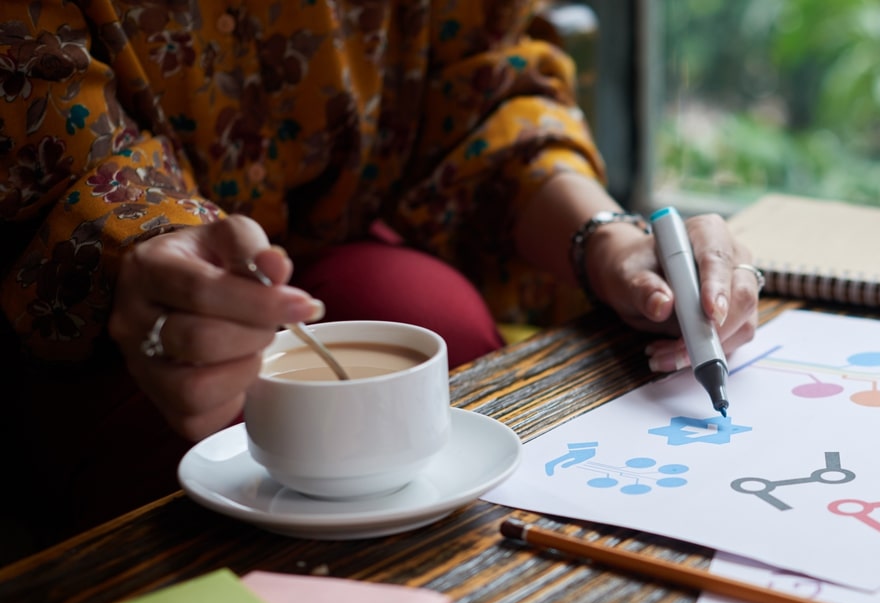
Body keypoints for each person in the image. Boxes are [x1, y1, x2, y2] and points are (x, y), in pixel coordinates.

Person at [0, 0, 762, 545]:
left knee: (440, 322)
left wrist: (607, 241)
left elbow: (487, 88)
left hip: (335, 239)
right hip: (103, 318)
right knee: (206, 426)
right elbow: (49, 139)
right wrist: (147, 258)